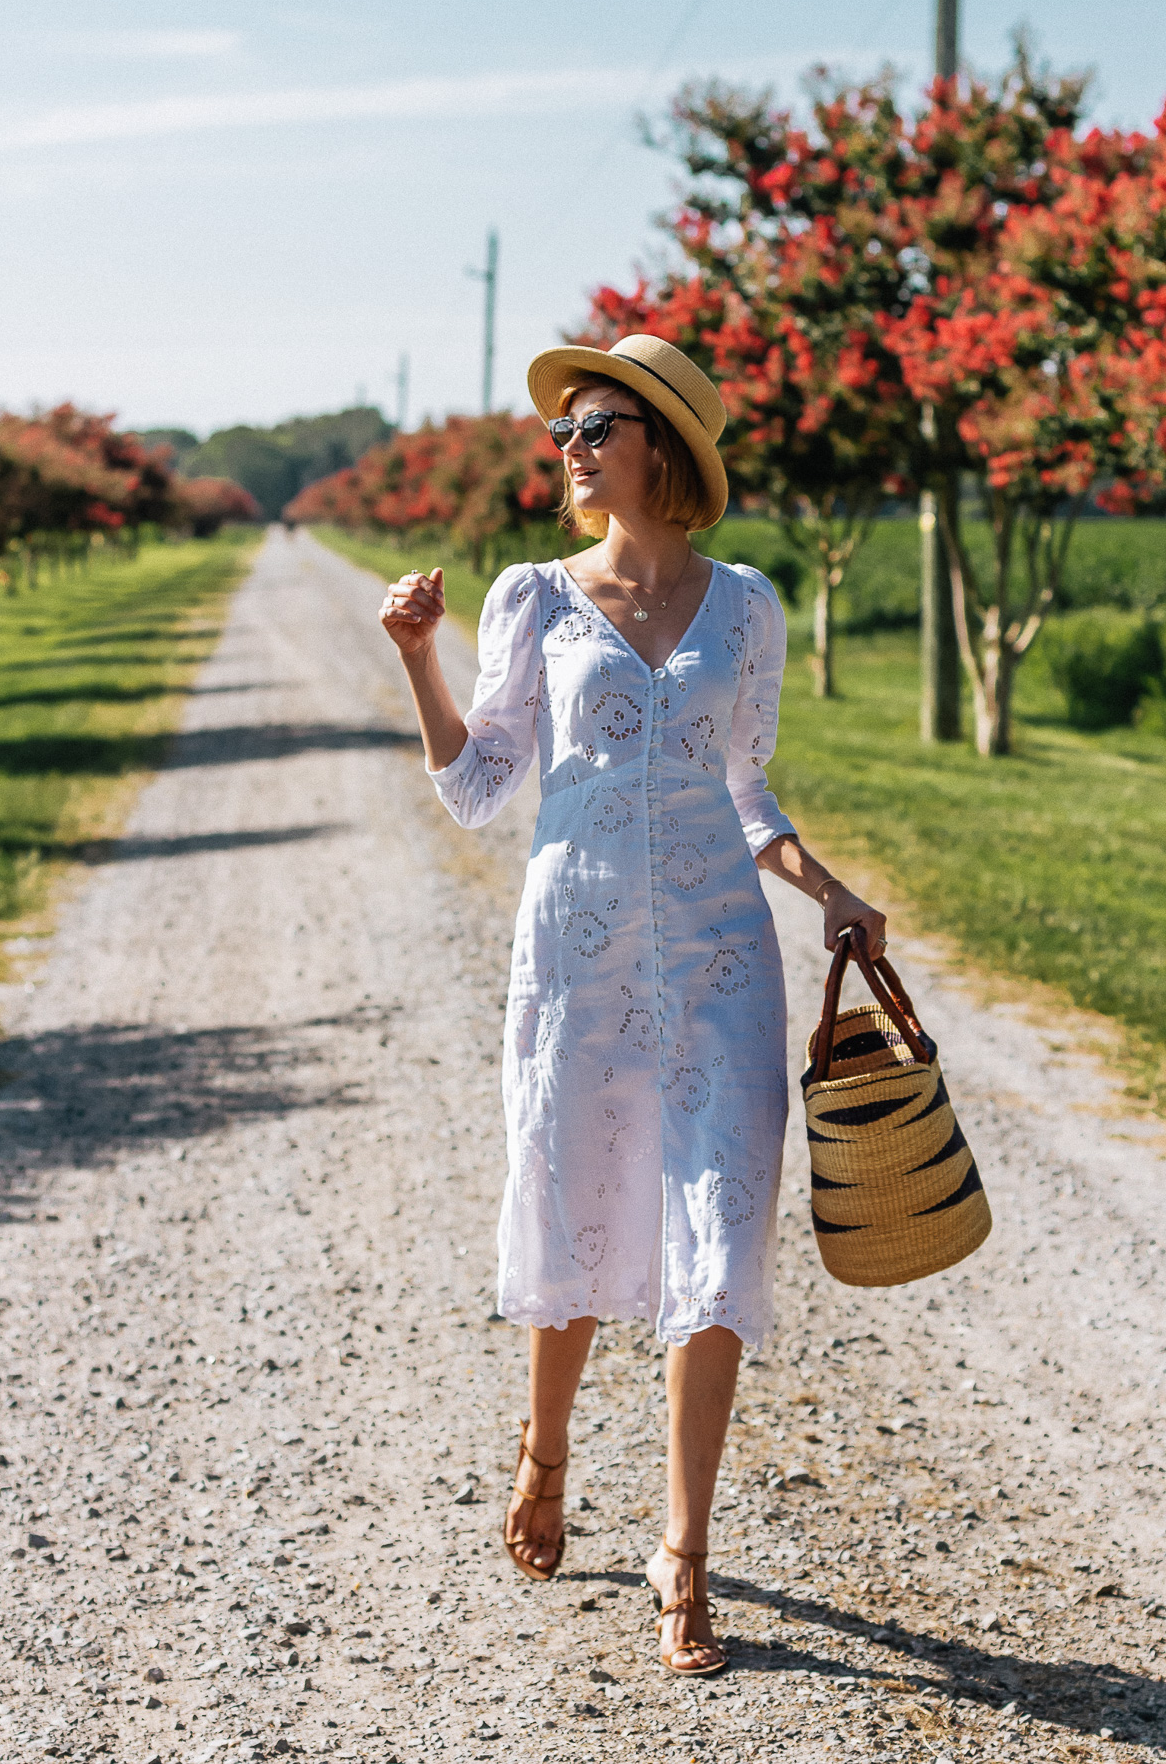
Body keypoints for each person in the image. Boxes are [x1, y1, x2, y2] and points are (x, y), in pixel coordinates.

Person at [380, 335, 887, 1676]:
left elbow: (749, 792)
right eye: (563, 431)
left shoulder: (748, 605)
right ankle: (547, 1452)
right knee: (575, 1201)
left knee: (717, 1230)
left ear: (660, 439)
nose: (570, 445)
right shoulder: (534, 598)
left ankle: (684, 1554)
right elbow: (482, 783)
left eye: (595, 422)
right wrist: (419, 659)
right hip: (579, 961)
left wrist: (828, 889)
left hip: (723, 959)